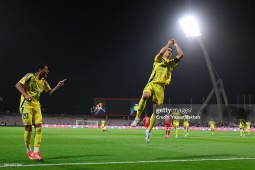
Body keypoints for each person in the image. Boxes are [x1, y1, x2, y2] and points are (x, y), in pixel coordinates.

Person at [131, 38, 183, 143]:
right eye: (169, 50)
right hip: (152, 84)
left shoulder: (171, 63)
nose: (170, 51)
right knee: (145, 96)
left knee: (156, 111)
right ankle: (137, 118)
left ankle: (148, 131)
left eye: (171, 51)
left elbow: (181, 54)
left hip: (161, 88)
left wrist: (176, 44)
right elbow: (161, 52)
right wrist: (168, 43)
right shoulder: (158, 60)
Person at [15, 64, 66, 161]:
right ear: (40, 69)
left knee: (38, 127)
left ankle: (36, 151)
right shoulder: (30, 76)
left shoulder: (44, 82)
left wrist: (58, 86)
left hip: (37, 105)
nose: (48, 71)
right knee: (28, 128)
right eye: (46, 69)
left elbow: (50, 92)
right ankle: (28, 150)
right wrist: (26, 95)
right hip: (26, 105)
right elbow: (18, 85)